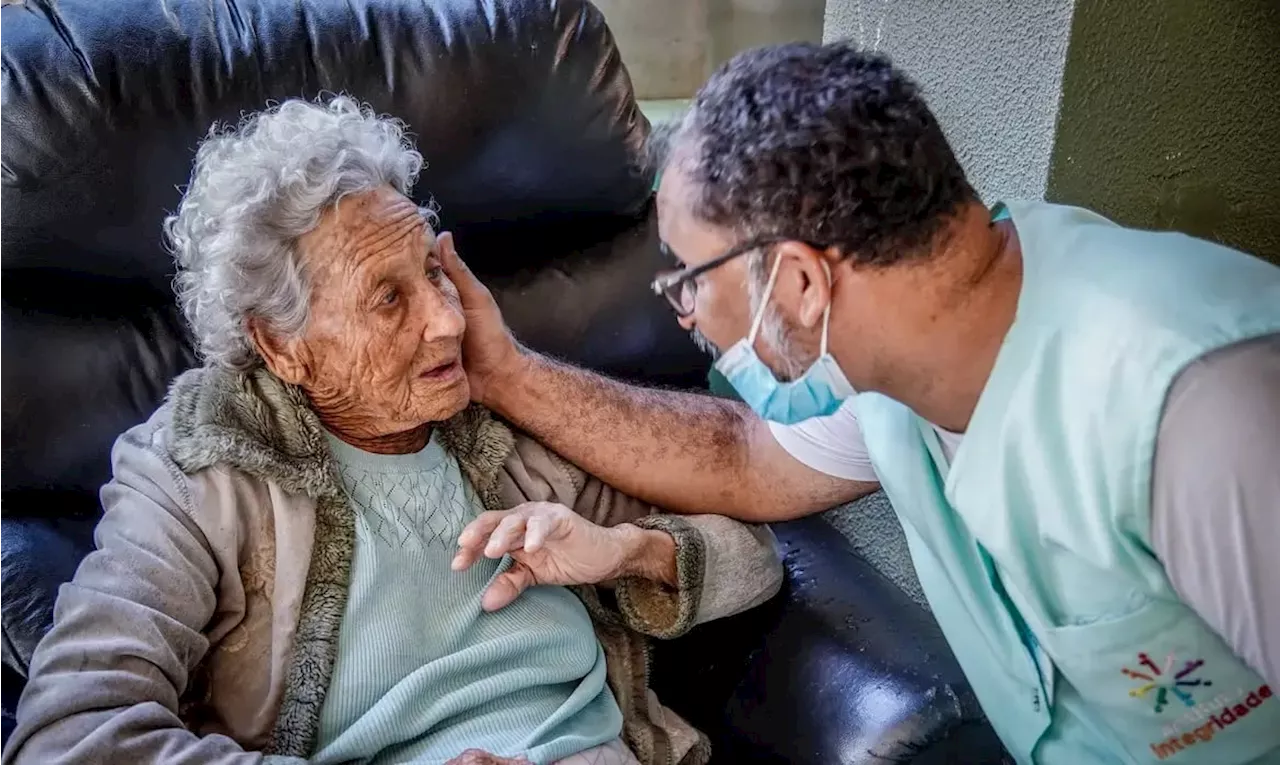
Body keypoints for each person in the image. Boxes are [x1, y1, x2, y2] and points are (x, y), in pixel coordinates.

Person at [443, 42, 1280, 764]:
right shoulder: (902, 359)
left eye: (690, 278)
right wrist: (507, 371)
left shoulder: (1206, 411)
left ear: (801, 281)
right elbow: (745, 458)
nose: (683, 312)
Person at [1, 96, 783, 765]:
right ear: (281, 345)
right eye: (388, 298)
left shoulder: (497, 424)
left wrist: (624, 550)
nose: (449, 321)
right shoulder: (204, 465)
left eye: (434, 272)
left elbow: (758, 554)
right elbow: (70, 733)